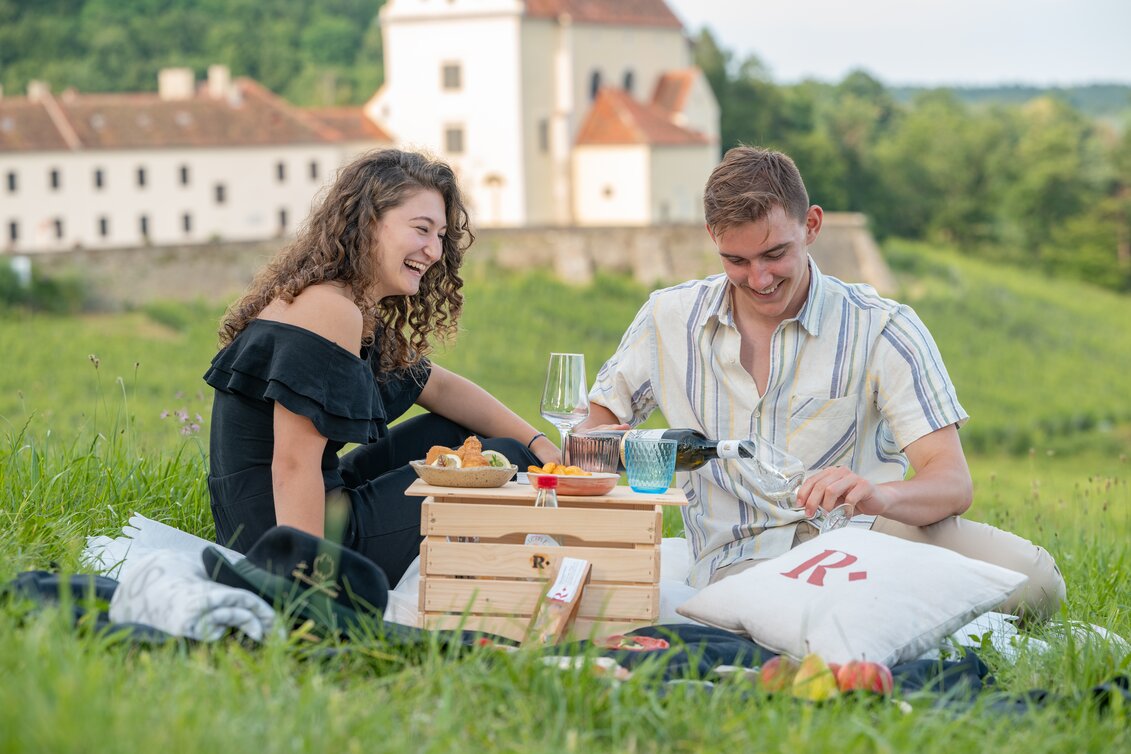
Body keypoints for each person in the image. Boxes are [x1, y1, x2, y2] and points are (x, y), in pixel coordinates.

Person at [576, 145, 1065, 622]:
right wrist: (619, 451)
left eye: (775, 254)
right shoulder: (668, 317)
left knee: (1035, 581)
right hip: (737, 562)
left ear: (811, 225)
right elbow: (590, 440)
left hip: (866, 539)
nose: (759, 278)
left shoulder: (883, 327)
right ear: (712, 238)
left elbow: (952, 481)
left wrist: (880, 497)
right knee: (797, 613)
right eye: (737, 261)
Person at [204, 148, 560, 587]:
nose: (433, 250)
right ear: (369, 222)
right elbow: (293, 466)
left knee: (466, 440)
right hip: (283, 539)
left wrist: (543, 444)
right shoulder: (329, 311)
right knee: (509, 459)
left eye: (442, 235)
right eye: (421, 229)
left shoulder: (340, 301)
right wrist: (308, 591)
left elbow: (438, 387)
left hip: (289, 512)